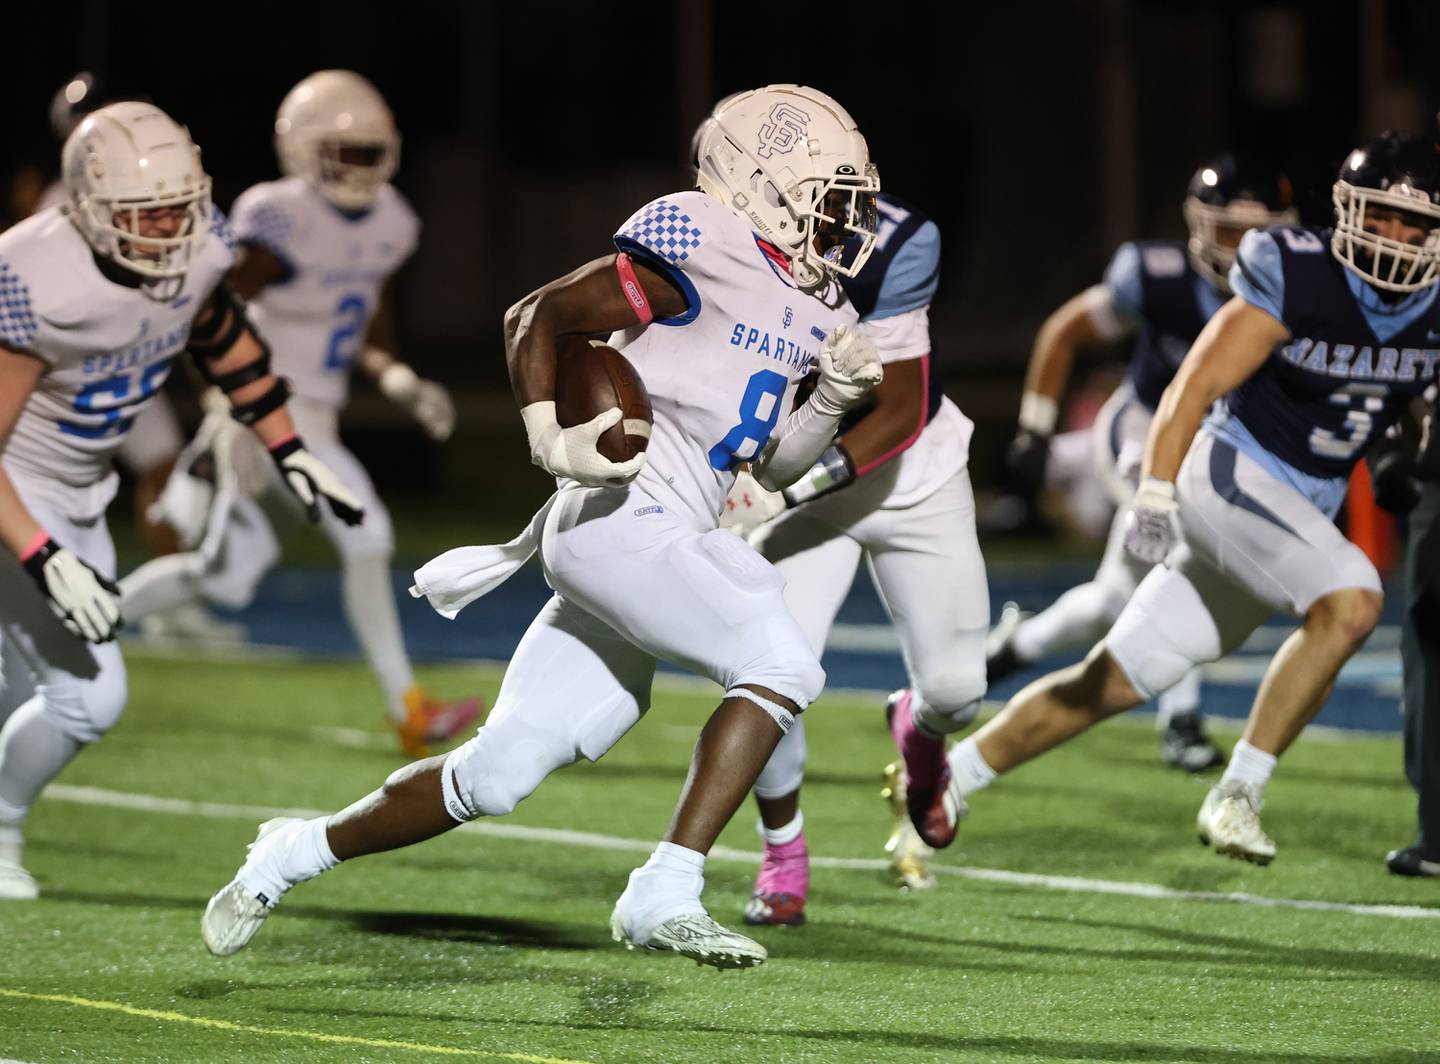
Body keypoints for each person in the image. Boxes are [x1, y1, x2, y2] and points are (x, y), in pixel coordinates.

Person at [200, 84, 884, 969]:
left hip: (668, 530)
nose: (845, 228)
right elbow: (541, 314)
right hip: (619, 514)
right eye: (831, 204)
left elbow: (775, 465)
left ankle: (288, 853)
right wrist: (549, 436)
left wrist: (832, 399)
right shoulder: (705, 240)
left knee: (496, 773)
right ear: (761, 186)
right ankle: (664, 890)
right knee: (780, 660)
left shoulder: (825, 309)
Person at [914, 132, 1440, 864]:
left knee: (1113, 681)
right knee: (1352, 601)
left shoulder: (1430, 306)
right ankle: (1238, 793)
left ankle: (944, 781)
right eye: (1379, 215)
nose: (1394, 236)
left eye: (1413, 223)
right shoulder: (1298, 272)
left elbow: (1400, 396)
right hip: (1232, 475)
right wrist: (1156, 493)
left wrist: (1399, 450)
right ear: (1348, 211)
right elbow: (1192, 387)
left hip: (1294, 505)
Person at [0, 102, 364, 899]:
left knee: (35, 693)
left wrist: (289, 448)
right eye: (144, 212)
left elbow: (221, 336)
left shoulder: (202, 247)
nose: (168, 226)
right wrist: (41, 552)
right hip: (18, 492)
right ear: (90, 211)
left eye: (178, 205)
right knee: (90, 698)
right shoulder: (33, 273)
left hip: (79, 491)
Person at [116, 71, 478, 756]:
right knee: (366, 532)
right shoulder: (282, 214)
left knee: (222, 578)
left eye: (371, 154)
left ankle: (83, 625)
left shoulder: (392, 222)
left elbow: (370, 318)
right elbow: (213, 310)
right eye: (345, 154)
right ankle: (409, 709)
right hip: (272, 416)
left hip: (317, 414)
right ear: (304, 151)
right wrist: (231, 409)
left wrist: (398, 379)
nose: (360, 170)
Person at [722, 188, 986, 922]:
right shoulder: (716, 232)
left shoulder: (895, 241)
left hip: (907, 471)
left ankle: (919, 736)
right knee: (768, 674)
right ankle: (783, 855)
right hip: (787, 474)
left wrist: (782, 492)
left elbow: (899, 406)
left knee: (958, 691)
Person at [988, 155, 1297, 771]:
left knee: (1112, 600)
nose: (1244, 251)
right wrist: (1035, 427)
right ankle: (1181, 719)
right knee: (1185, 545)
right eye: (1230, 231)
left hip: (1219, 440)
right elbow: (1064, 331)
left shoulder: (1301, 289)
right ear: (1200, 227)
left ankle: (1014, 647)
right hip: (1141, 432)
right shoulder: (1155, 275)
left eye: (1260, 236)